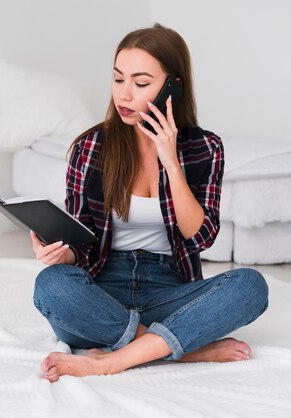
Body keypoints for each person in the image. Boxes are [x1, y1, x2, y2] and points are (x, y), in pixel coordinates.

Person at [31, 23, 269, 383]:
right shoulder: (90, 147)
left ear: (173, 87)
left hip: (169, 289)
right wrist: (62, 254)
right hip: (101, 290)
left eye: (141, 83)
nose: (124, 95)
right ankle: (185, 348)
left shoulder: (205, 148)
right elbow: (82, 243)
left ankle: (111, 360)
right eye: (118, 79)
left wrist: (170, 161)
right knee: (52, 285)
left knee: (251, 286)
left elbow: (201, 237)